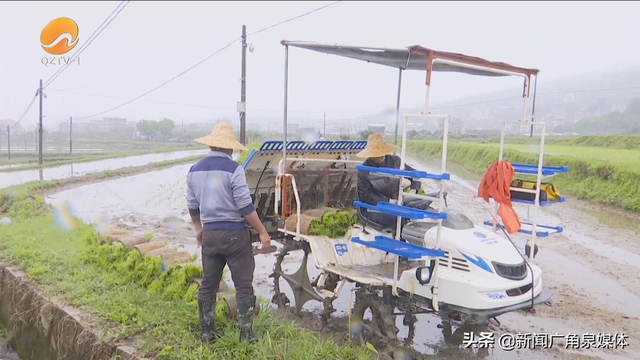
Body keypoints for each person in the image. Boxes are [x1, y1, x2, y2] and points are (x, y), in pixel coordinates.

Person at [186, 122, 271, 344]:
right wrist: (262, 231)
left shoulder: (194, 171)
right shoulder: (234, 170)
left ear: (212, 145)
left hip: (211, 236)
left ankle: (207, 333)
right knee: (243, 285)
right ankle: (246, 335)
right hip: (235, 236)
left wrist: (199, 230)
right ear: (229, 148)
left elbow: (193, 207)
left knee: (208, 284)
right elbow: (245, 207)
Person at [355, 133, 425, 232]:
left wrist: (413, 190)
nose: (377, 157)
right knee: (398, 217)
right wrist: (388, 201)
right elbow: (366, 195)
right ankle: (399, 240)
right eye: (374, 155)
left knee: (418, 210)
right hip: (375, 208)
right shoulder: (364, 169)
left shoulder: (395, 161)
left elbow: (414, 175)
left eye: (379, 154)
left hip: (397, 203)